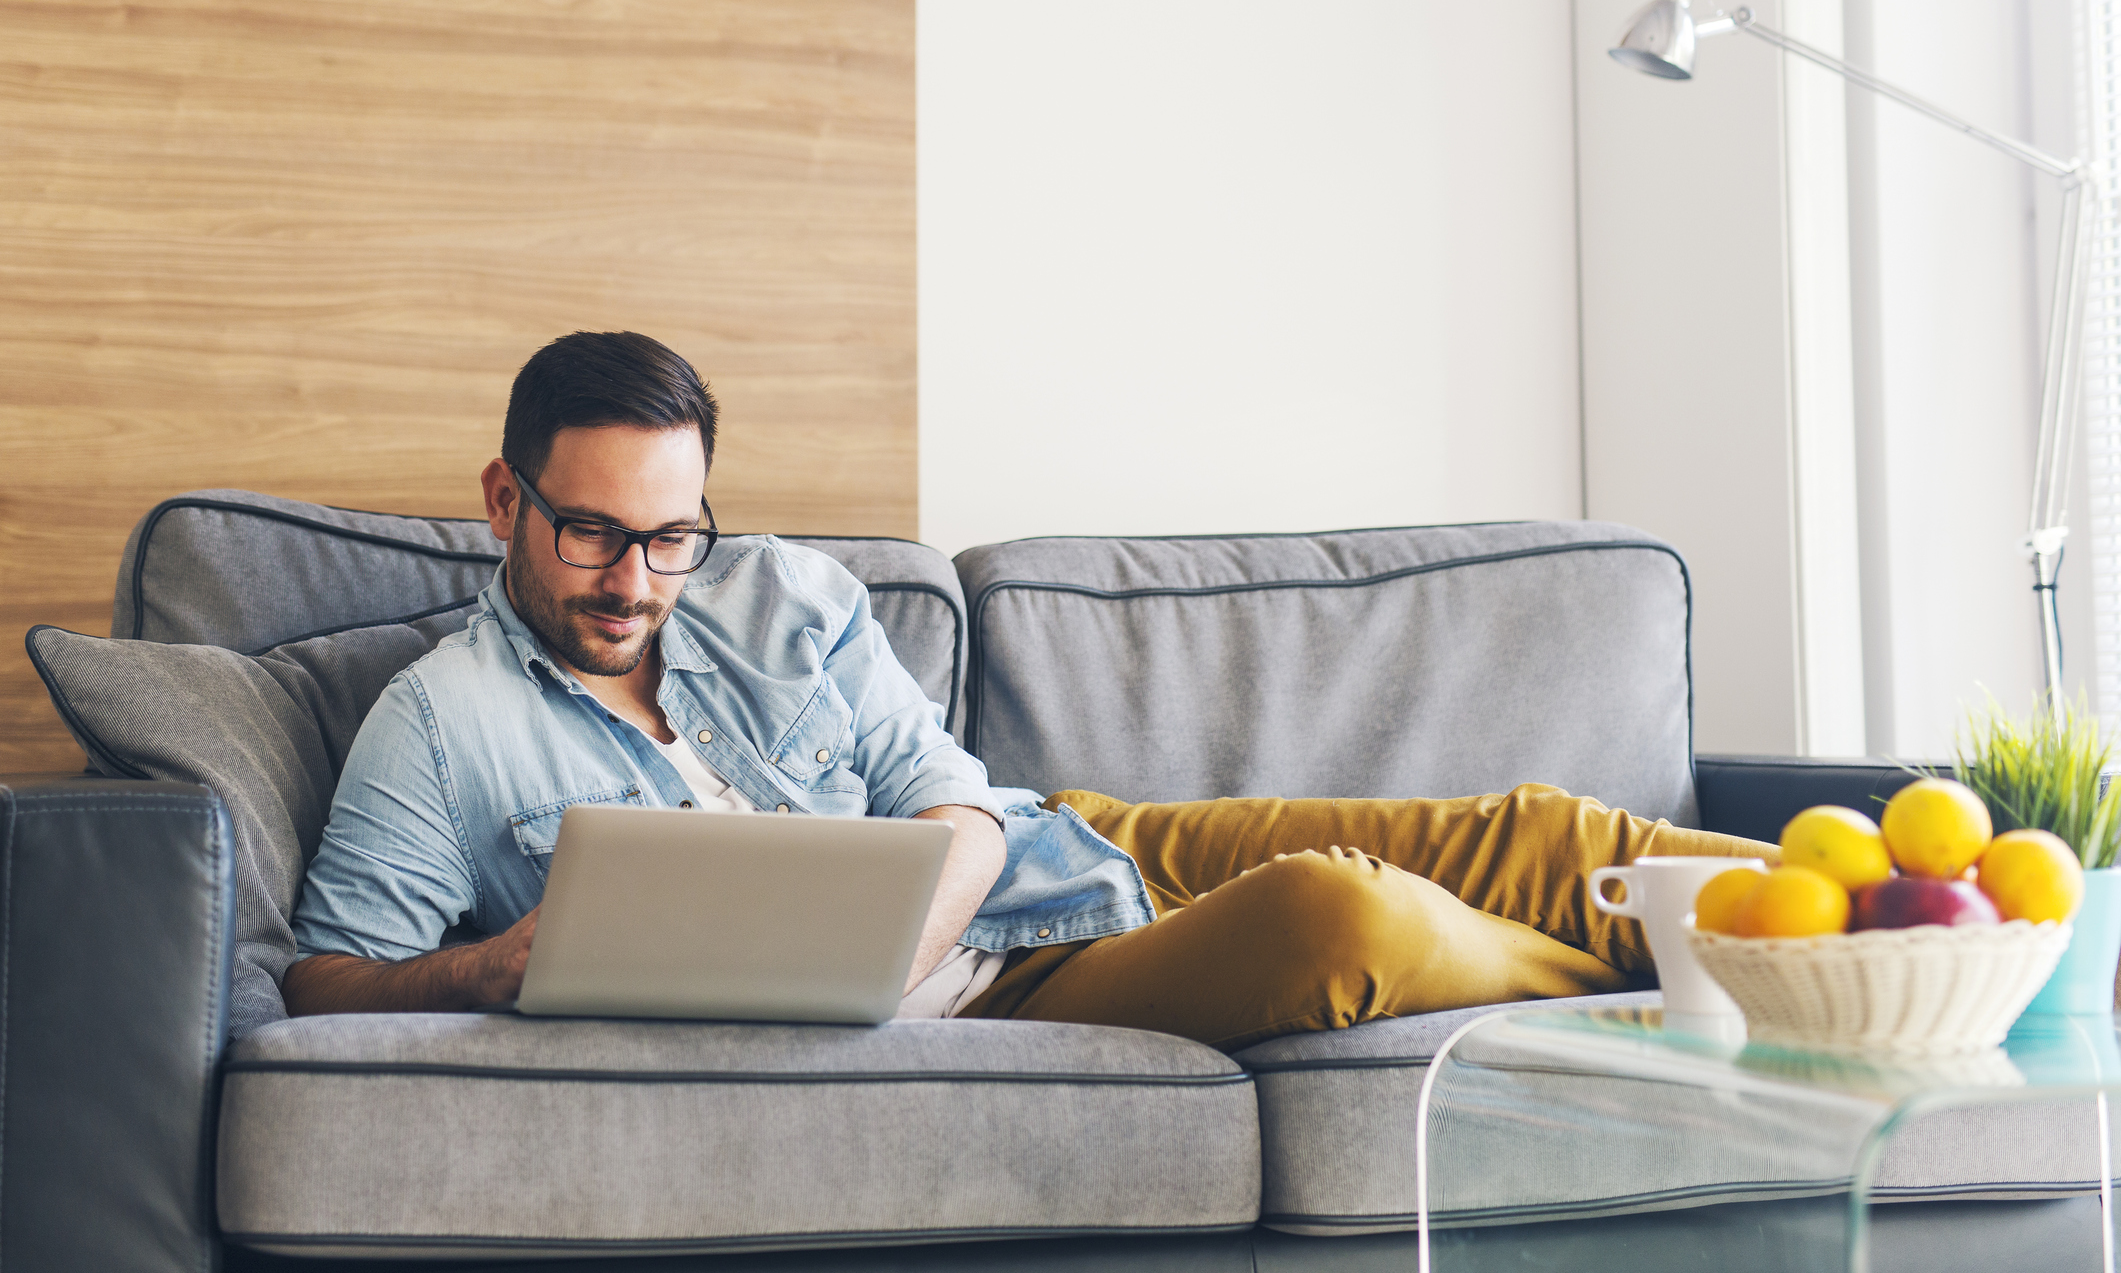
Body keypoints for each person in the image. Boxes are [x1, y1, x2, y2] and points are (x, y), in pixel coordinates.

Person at [284, 331, 1775, 1050]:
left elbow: (954, 796)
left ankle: (1915, 918)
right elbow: (315, 983)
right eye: (591, 530)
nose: (630, 578)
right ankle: (1702, 1005)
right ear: (502, 498)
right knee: (1347, 915)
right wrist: (489, 964)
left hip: (1056, 849)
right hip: (1014, 992)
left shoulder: (781, 595)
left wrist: (928, 889)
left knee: (1528, 832)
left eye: (670, 535)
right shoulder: (440, 724)